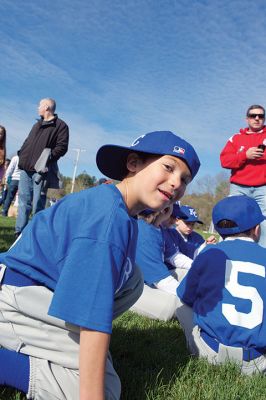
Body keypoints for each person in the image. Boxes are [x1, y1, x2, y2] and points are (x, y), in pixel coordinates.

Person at [0, 130, 200, 400]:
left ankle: (66, 340)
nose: (176, 182)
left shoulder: (121, 211)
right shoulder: (109, 217)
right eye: (168, 167)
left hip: (37, 292)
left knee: (133, 279)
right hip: (14, 297)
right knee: (101, 390)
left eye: (184, 179)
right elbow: (93, 317)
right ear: (133, 163)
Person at [176, 195, 266, 375]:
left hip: (209, 351)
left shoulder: (210, 251)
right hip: (256, 361)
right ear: (256, 229)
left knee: (182, 305)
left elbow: (185, 295)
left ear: (218, 229)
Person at [15, 98, 69, 237]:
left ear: (46, 107)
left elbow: (62, 147)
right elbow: (27, 141)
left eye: (39, 105)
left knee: (38, 203)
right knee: (22, 202)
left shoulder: (61, 126)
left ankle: (34, 234)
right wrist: (21, 154)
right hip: (26, 169)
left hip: (41, 171)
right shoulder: (36, 125)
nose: (37, 107)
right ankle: (19, 232)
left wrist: (47, 158)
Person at [131, 204, 193, 321]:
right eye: (173, 215)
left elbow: (174, 257)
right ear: (164, 211)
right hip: (130, 286)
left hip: (149, 278)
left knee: (187, 273)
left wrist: (199, 267)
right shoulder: (144, 232)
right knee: (170, 306)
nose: (175, 220)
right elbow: (162, 281)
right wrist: (195, 299)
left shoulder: (159, 228)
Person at [220, 104, 266, 248]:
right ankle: (227, 252)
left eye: (261, 116)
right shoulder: (236, 138)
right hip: (239, 187)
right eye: (253, 115)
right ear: (247, 119)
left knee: (263, 223)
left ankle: (261, 257)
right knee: (232, 218)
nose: (257, 118)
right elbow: (225, 161)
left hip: (263, 189)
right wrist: (245, 155)